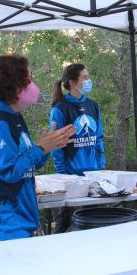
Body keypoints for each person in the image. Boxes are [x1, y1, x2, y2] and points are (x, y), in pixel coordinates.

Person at [0, 55, 75, 275]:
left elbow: (25, 163)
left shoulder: (13, 116)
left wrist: (45, 148)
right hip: (3, 211)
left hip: (20, 209)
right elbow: (8, 170)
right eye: (27, 78)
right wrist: (41, 148)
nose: (32, 84)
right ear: (14, 84)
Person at [50, 63, 105, 232]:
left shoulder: (93, 105)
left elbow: (99, 138)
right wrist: (64, 175)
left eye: (88, 77)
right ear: (73, 82)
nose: (89, 81)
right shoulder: (60, 108)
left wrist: (101, 167)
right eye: (85, 78)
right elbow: (56, 145)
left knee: (93, 220)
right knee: (66, 219)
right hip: (71, 176)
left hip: (93, 174)